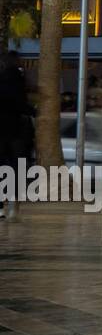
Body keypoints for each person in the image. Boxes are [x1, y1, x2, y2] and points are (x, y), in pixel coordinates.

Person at [0, 52, 33, 221]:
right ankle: (13, 207)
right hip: (15, 131)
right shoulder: (16, 79)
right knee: (16, 167)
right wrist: (33, 111)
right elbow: (19, 103)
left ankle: (1, 208)